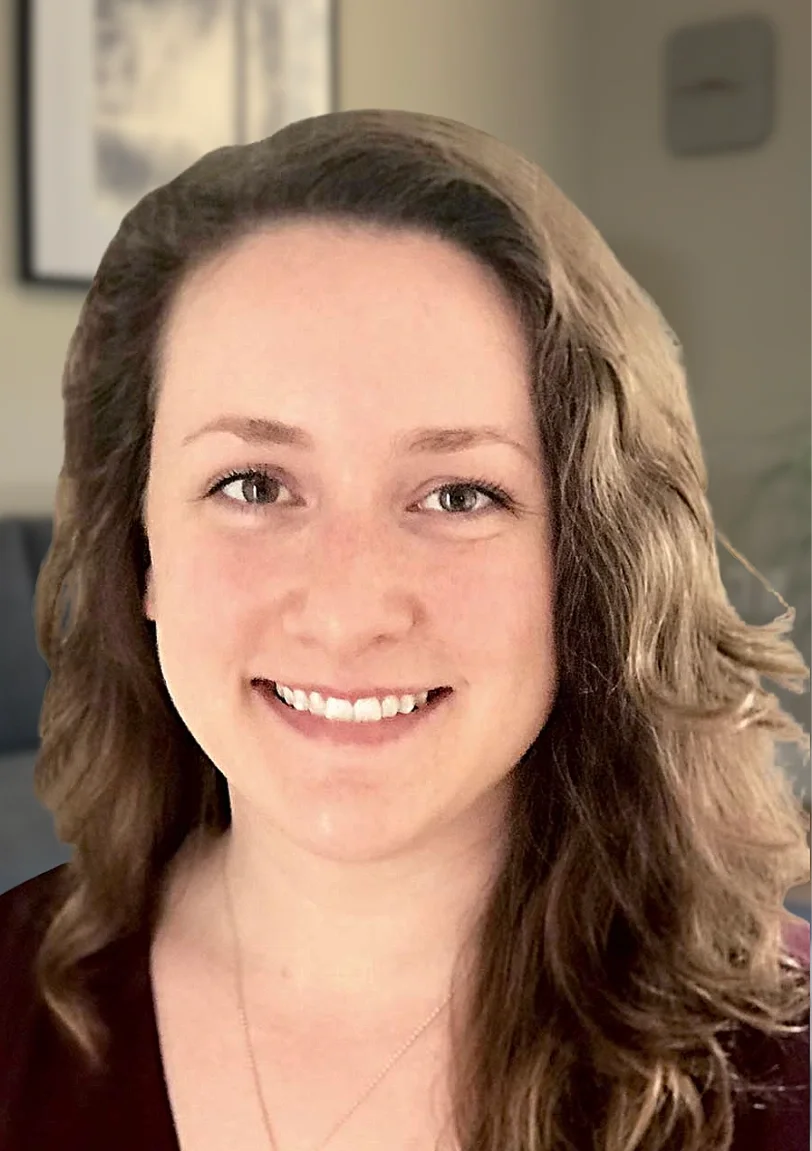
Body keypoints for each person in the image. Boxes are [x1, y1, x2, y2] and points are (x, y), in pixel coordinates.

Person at [0, 109, 808, 1151]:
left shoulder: (780, 1072)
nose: (347, 608)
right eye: (253, 483)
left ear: (584, 564)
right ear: (140, 547)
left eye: (458, 495)